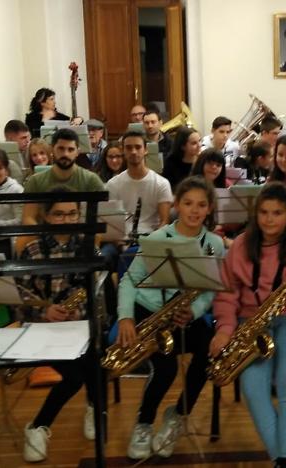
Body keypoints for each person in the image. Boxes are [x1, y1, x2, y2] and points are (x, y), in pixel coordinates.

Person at [210, 183, 286, 467]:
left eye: (277, 213)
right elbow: (227, 294)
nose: (269, 219)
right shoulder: (242, 244)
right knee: (253, 389)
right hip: (252, 321)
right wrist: (225, 330)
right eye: (263, 212)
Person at [114, 177, 226, 459]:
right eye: (187, 203)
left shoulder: (214, 244)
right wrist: (126, 318)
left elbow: (212, 289)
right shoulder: (155, 239)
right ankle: (144, 422)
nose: (194, 210)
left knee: (209, 354)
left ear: (210, 208)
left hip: (185, 314)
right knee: (165, 370)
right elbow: (129, 281)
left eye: (201, 205)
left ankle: (177, 414)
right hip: (149, 310)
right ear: (176, 205)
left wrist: (196, 311)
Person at [19, 193, 99, 462]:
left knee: (95, 359)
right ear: (46, 216)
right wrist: (45, 311)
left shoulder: (88, 247)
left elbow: (97, 293)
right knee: (75, 377)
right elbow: (21, 297)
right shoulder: (32, 250)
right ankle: (38, 426)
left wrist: (81, 310)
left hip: (81, 325)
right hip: (45, 328)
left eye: (72, 214)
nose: (66, 219)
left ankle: (93, 406)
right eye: (59, 214)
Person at [22, 128, 106, 225]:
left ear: (77, 152)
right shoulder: (35, 181)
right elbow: (28, 217)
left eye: (70, 149)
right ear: (52, 149)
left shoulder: (92, 180)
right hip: (45, 237)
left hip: (81, 237)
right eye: (61, 149)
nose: (65, 154)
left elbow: (103, 217)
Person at [106, 130, 174, 238]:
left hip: (152, 240)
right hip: (121, 239)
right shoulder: (112, 184)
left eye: (138, 147)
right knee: (104, 254)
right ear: (123, 151)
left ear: (146, 150)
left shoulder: (161, 183)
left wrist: (149, 243)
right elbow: (112, 224)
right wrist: (121, 244)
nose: (133, 152)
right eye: (128, 148)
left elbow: (164, 222)